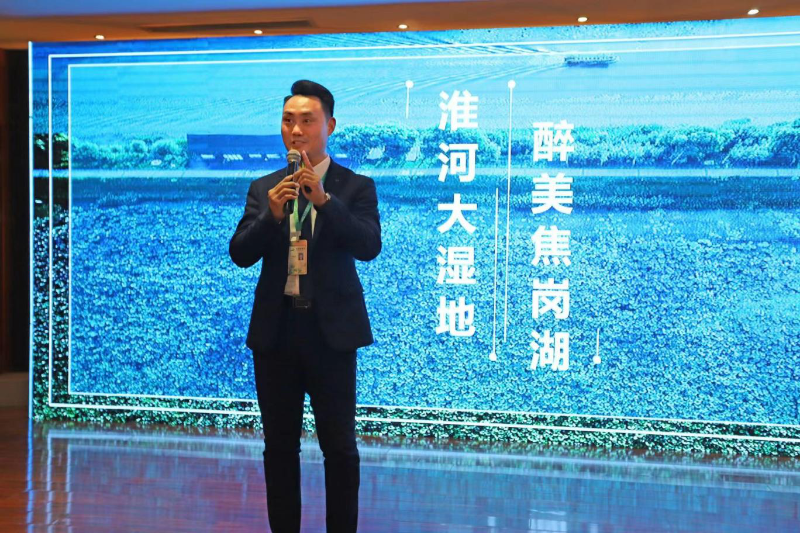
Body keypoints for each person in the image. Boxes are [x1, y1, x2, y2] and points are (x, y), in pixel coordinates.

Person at [228, 80, 381, 533]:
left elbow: (368, 246)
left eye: (307, 121)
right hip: (277, 335)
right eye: (288, 121)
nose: (295, 131)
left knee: (340, 449)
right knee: (279, 449)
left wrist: (324, 201)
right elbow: (240, 253)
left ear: (329, 126)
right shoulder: (265, 188)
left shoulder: (355, 186)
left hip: (331, 336)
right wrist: (271, 216)